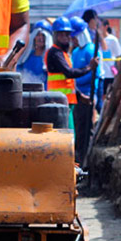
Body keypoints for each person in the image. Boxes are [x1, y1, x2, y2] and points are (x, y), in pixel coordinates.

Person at [46, 17, 97, 164]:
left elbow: (69, 82)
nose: (65, 37)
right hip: (59, 104)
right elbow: (69, 73)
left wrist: (81, 96)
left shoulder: (63, 54)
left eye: (67, 34)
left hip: (67, 102)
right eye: (61, 34)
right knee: (66, 138)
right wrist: (89, 67)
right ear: (55, 35)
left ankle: (70, 167)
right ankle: (65, 168)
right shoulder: (54, 53)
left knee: (70, 137)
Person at [16, 20, 52, 88]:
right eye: (38, 35)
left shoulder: (50, 60)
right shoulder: (25, 57)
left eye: (43, 36)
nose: (40, 38)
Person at [97, 18, 121, 98]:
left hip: (109, 73)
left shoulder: (112, 40)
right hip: (99, 73)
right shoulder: (95, 40)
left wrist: (119, 73)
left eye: (100, 26)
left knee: (108, 96)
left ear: (106, 27)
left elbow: (118, 57)